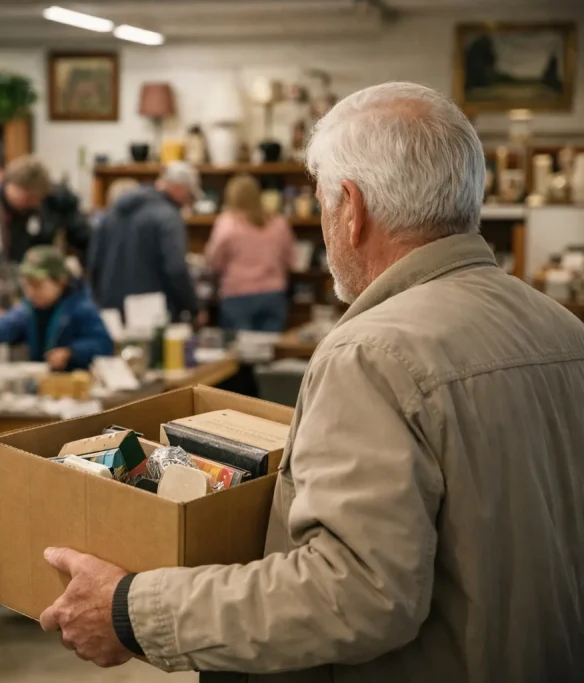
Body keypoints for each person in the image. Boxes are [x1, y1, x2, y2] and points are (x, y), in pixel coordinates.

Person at [38, 82, 584, 682]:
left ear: (351, 209)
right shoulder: (562, 329)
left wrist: (129, 610)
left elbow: (356, 595)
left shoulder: (371, 354)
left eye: (323, 202)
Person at [88, 161, 202, 322]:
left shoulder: (111, 213)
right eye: (190, 196)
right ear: (180, 189)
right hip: (150, 311)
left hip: (109, 307)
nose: (187, 204)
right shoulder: (168, 217)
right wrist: (192, 307)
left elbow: (94, 262)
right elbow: (176, 269)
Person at [0, 245, 112, 372]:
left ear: (61, 281)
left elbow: (103, 345)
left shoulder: (81, 308)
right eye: (27, 285)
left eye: (37, 285)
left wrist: (71, 352)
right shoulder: (28, 309)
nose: (31, 292)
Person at [205, 174, 295, 332]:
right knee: (269, 351)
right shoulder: (278, 222)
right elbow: (291, 260)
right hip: (273, 294)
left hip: (237, 295)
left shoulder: (227, 223)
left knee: (239, 352)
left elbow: (214, 262)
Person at [0, 155, 90, 262]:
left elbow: (83, 237)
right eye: (26, 198)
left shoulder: (56, 200)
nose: (34, 204)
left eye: (34, 199)